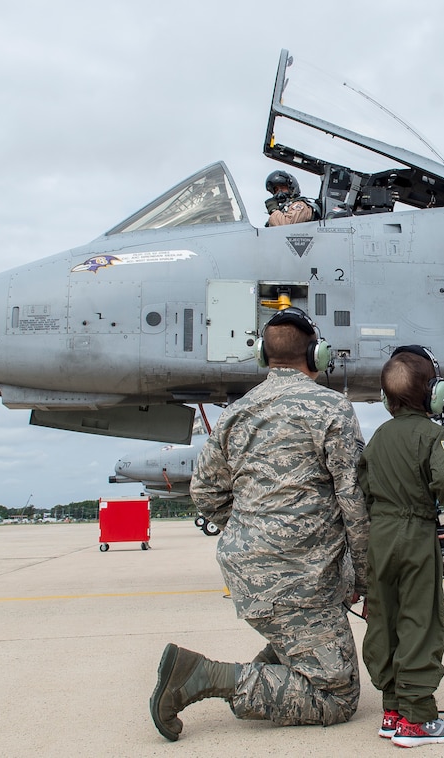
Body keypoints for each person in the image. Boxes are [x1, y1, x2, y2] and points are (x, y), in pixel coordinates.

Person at [150, 306, 369, 741]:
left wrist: (254, 529)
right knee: (337, 698)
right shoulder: (332, 408)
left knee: (318, 624)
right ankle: (205, 675)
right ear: (318, 355)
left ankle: (287, 660)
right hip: (302, 579)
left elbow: (205, 493)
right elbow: (354, 501)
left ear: (262, 359)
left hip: (251, 569)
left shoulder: (236, 412)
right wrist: (368, 575)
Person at [357, 345, 444, 748]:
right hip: (416, 532)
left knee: (383, 617)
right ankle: (417, 719)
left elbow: (364, 486)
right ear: (434, 395)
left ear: (386, 400)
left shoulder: (378, 437)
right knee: (420, 620)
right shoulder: (434, 435)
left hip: (380, 535)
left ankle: (392, 710)